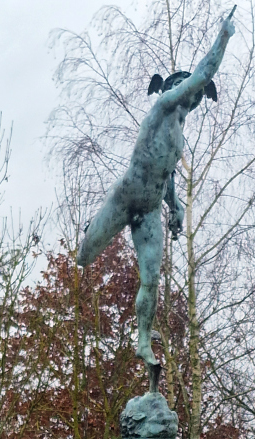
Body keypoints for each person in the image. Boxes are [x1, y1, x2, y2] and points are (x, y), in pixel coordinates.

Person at [77, 7, 236, 387]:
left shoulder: (178, 133)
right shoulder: (162, 107)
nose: (193, 95)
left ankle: (143, 340)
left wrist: (175, 205)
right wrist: (224, 36)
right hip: (126, 196)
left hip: (149, 209)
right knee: (84, 256)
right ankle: (89, 229)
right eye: (186, 88)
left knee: (151, 279)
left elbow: (166, 173)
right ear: (175, 89)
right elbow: (203, 73)